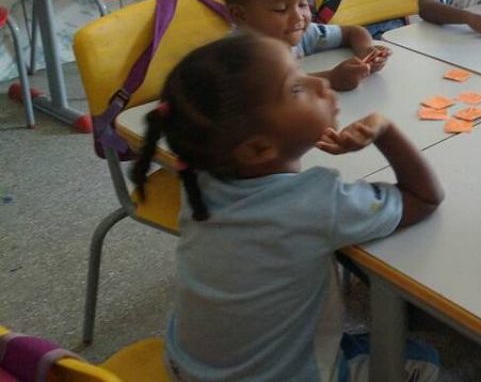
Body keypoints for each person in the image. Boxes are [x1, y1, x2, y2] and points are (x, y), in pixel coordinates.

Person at [130, 33, 444, 381]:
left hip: (186, 367)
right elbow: (425, 198)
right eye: (296, 88)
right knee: (424, 358)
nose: (320, 83)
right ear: (257, 149)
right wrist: (384, 129)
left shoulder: (199, 177)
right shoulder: (317, 202)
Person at [218, 0, 391, 91]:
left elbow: (353, 32)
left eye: (302, 4)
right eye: (281, 9)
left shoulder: (303, 34)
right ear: (240, 15)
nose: (298, 17)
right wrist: (331, 79)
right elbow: (270, 89)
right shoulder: (236, 54)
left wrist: (366, 51)